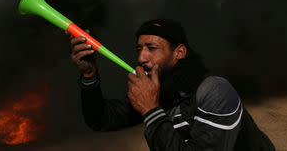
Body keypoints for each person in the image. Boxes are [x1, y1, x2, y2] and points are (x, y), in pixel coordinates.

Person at [68, 19, 275, 150]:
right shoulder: (160, 92)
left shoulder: (215, 90)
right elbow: (100, 119)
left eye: (152, 48)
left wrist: (151, 110)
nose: (141, 57)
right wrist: (89, 74)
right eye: (139, 48)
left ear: (179, 53)